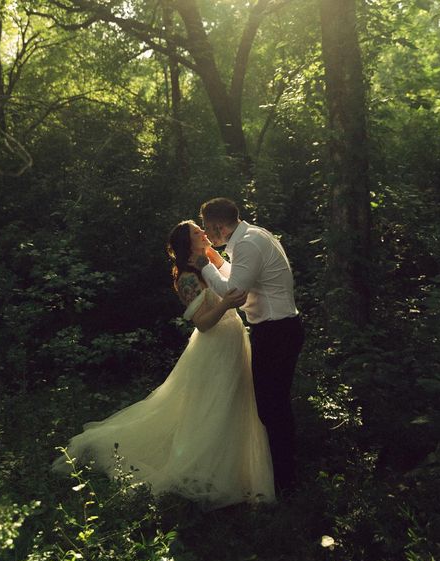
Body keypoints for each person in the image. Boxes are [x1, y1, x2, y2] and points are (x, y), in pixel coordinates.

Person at [52, 220, 275, 510]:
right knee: (214, 407)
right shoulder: (186, 278)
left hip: (234, 341)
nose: (205, 234)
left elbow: (231, 278)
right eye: (198, 232)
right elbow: (204, 324)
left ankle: (236, 469)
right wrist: (225, 305)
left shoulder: (208, 261)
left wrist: (215, 257)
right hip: (215, 346)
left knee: (236, 403)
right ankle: (206, 470)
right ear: (187, 243)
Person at [192, 198, 304, 495]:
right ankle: (283, 474)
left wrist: (204, 265)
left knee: (272, 407)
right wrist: (216, 263)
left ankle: (286, 480)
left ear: (217, 226)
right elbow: (239, 275)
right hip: (277, 330)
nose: (205, 233)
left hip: (276, 332)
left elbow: (234, 291)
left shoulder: (249, 244)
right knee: (272, 405)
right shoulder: (252, 236)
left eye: (206, 227)